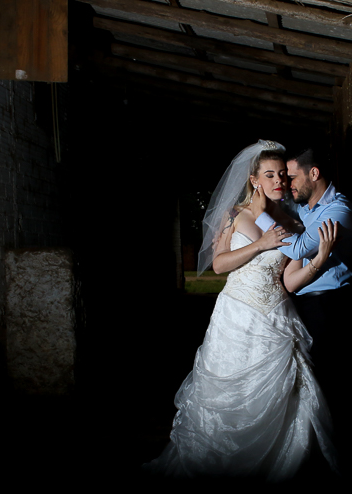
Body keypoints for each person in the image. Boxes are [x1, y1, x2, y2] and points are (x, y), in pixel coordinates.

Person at [143, 140, 339, 483]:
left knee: (282, 395)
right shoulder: (235, 215)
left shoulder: (293, 222)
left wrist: (319, 261)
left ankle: (276, 465)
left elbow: (291, 280)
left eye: (282, 174)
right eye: (269, 175)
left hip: (276, 316)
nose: (278, 181)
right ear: (254, 180)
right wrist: (260, 244)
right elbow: (219, 265)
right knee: (229, 395)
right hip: (236, 316)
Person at [248, 147, 352, 448]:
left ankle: (337, 450)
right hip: (302, 302)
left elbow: (296, 249)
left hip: (328, 305)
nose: (287, 184)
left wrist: (259, 216)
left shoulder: (338, 211)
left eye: (291, 177)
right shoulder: (305, 207)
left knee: (326, 382)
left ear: (314, 173)